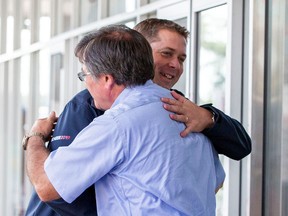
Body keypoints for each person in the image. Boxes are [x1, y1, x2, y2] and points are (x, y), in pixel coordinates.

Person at [25, 18, 251, 215]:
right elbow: (214, 183)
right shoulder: (185, 115)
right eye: (166, 53)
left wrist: (35, 137)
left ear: (106, 79)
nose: (175, 64)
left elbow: (48, 187)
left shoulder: (119, 123)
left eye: (85, 75)